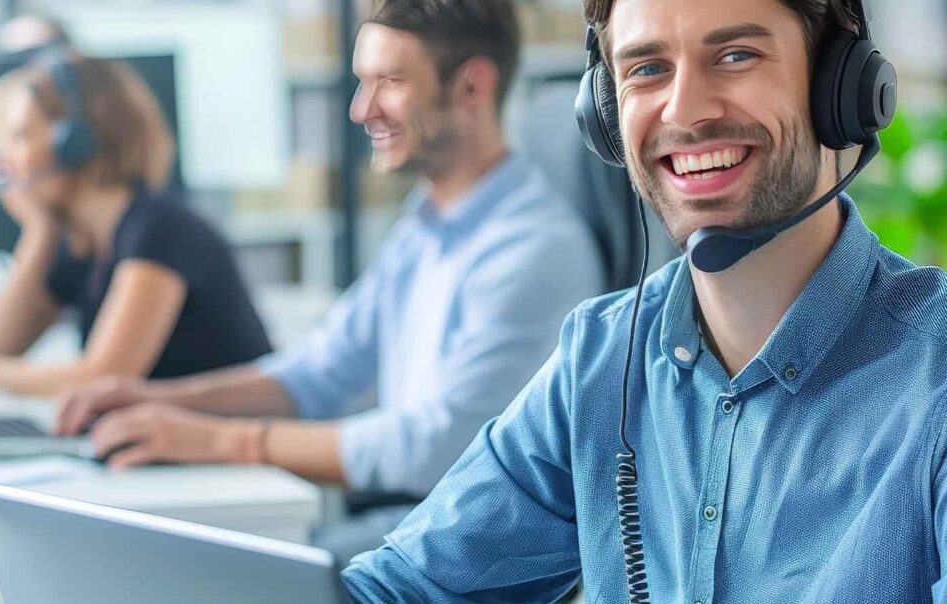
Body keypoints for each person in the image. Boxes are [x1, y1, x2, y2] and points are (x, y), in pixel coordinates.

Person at [340, 0, 947, 602]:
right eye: (647, 69)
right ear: (604, 113)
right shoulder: (601, 359)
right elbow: (404, 585)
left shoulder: (932, 378)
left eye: (736, 56)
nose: (684, 111)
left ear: (837, 84)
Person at [56, 0, 604, 562]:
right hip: (400, 518)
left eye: (388, 81)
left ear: (471, 87)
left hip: (462, 546)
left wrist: (216, 441)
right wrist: (156, 401)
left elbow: (437, 445)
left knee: (203, 566)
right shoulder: (427, 223)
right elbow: (321, 371)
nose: (360, 109)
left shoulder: (534, 247)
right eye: (361, 82)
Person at [0, 54, 272, 396]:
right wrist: (40, 230)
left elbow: (103, 379)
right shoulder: (82, 244)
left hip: (224, 443)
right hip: (157, 439)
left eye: (20, 136)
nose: (7, 159)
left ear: (74, 142)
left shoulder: (160, 228)